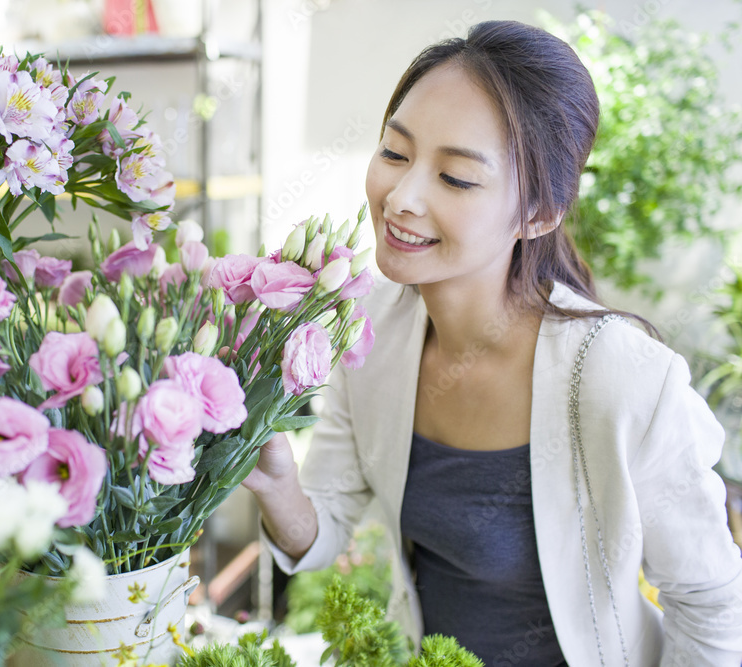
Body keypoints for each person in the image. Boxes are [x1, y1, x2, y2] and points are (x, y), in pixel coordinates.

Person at [243, 19, 742, 666]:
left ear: (539, 212)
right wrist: (274, 479)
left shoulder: (626, 377)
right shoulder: (371, 331)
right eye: (395, 152)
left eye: (455, 177)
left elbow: (711, 607)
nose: (401, 196)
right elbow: (326, 523)